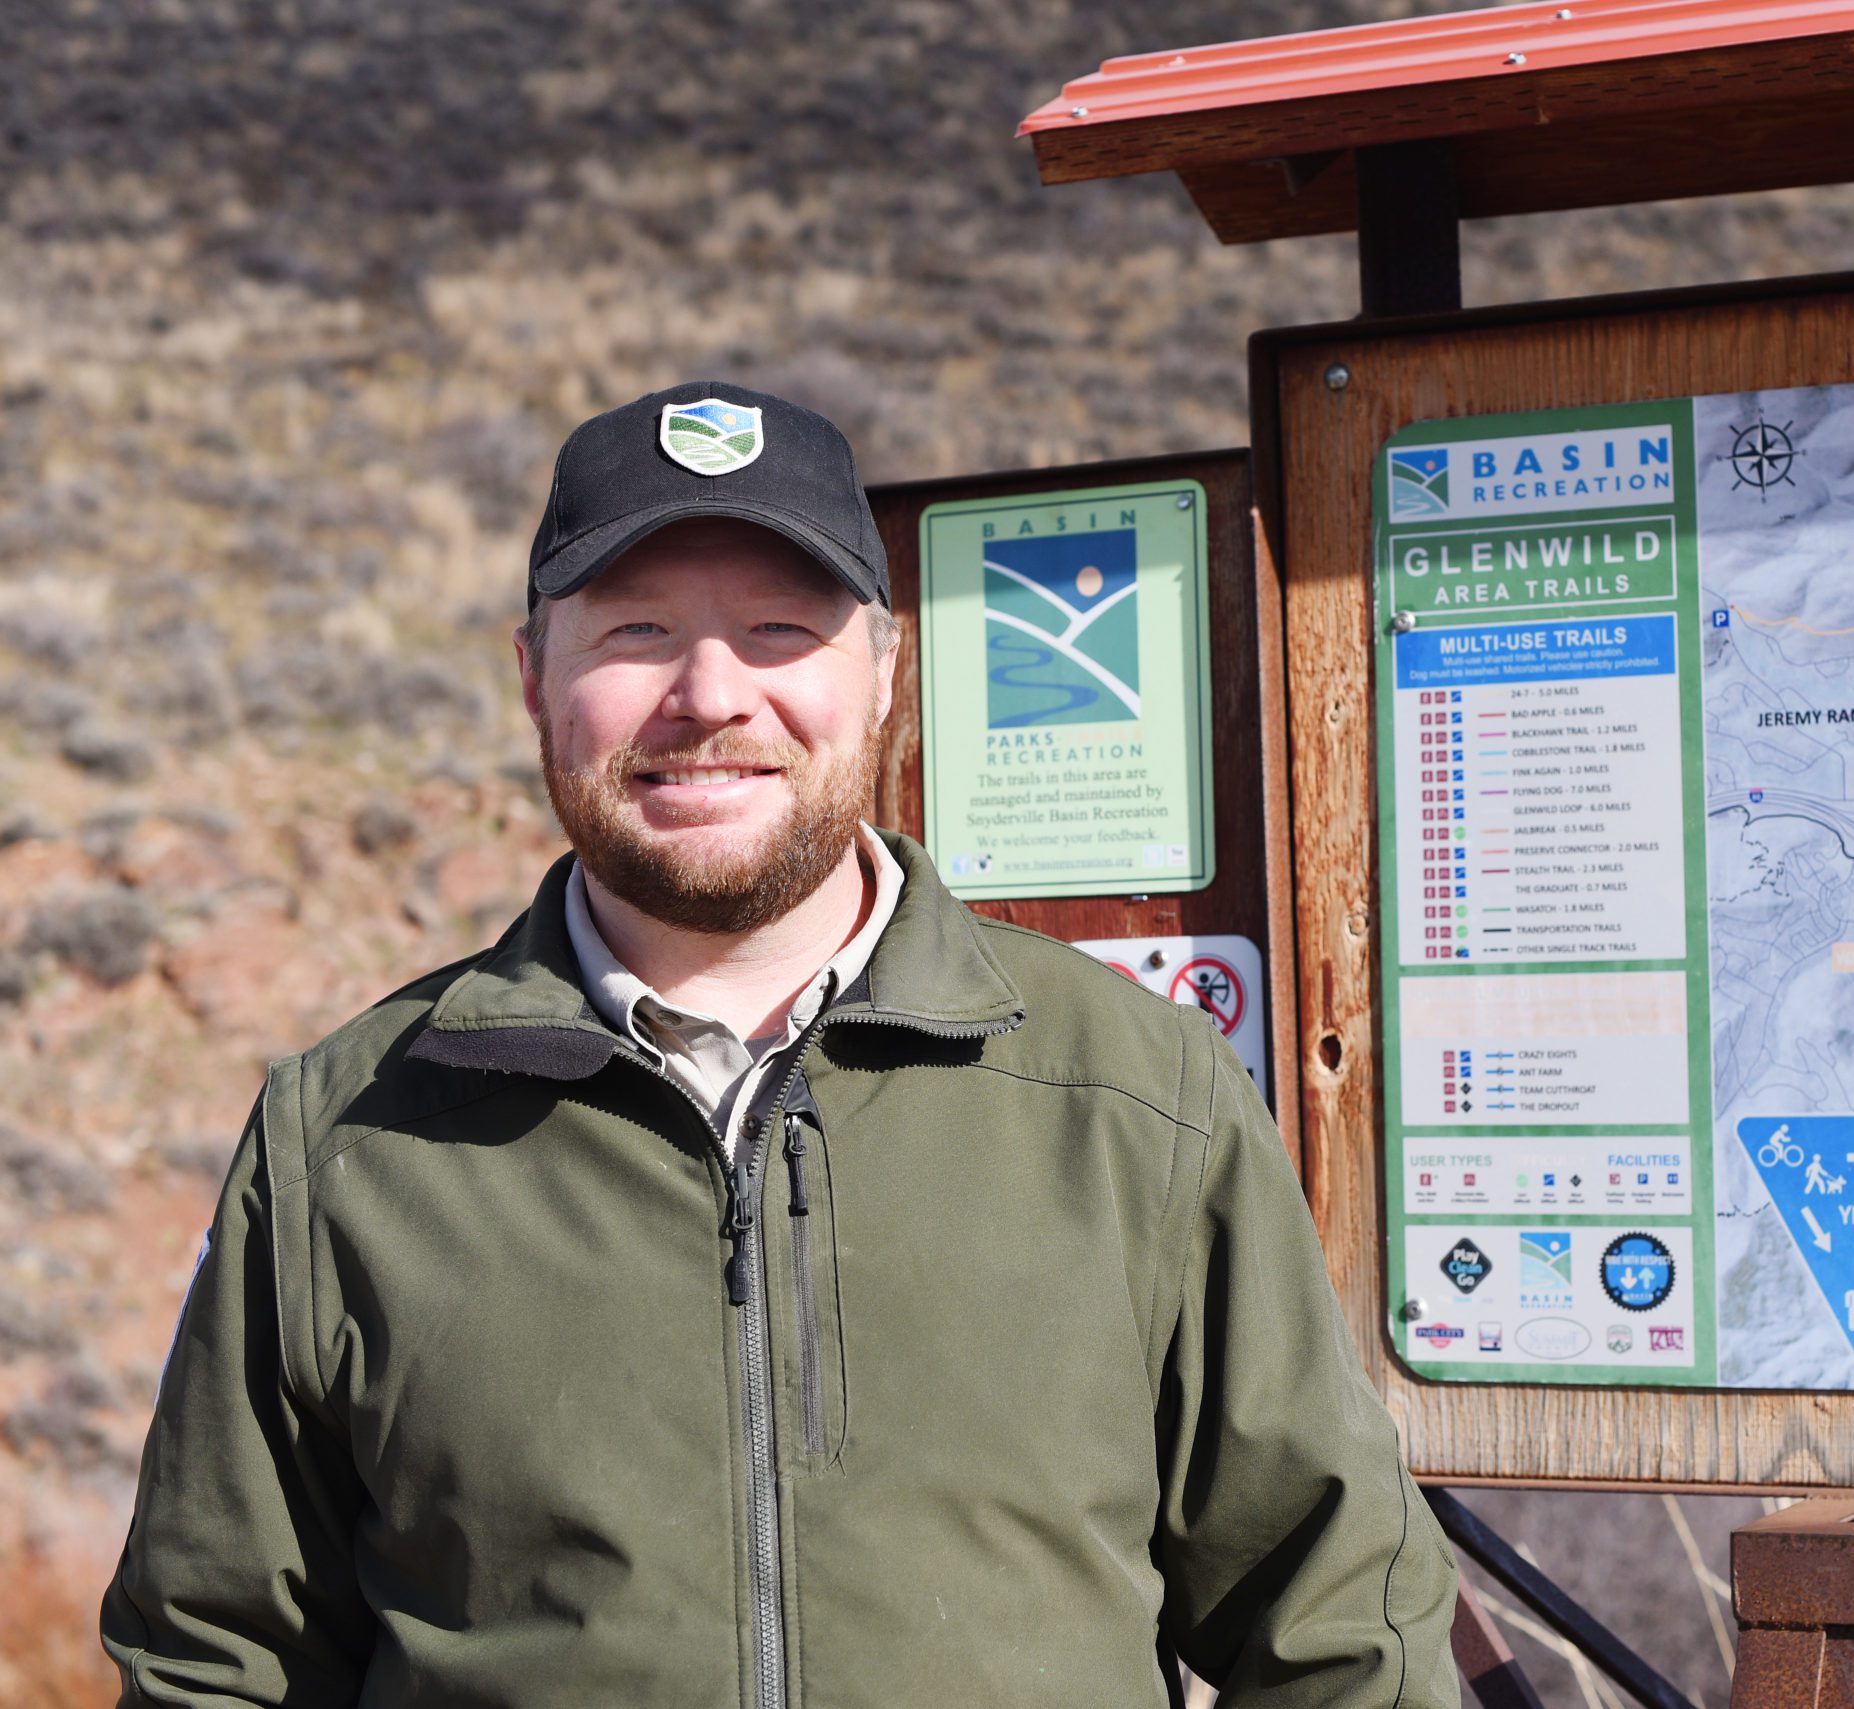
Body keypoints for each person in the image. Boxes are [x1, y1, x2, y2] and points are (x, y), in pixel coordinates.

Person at [101, 381, 1460, 1708]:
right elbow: (217, 1662)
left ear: (883, 675)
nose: (709, 694)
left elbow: (1340, 1630)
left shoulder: (1136, 1101)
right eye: (634, 631)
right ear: (533, 678)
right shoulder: (349, 1134)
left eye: (778, 629)